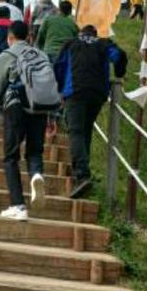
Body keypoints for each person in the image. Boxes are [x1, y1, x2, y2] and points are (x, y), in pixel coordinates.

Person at [0, 21, 53, 221]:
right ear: (30, 37)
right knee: (34, 151)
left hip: (15, 106)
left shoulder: (7, 55)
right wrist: (52, 116)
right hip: (40, 108)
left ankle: (18, 205)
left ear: (10, 37)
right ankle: (36, 175)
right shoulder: (41, 56)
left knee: (11, 156)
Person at [54, 25, 127, 199]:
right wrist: (119, 73)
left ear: (81, 33)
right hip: (98, 93)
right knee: (85, 130)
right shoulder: (104, 43)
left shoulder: (71, 43)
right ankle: (82, 171)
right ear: (95, 34)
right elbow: (120, 56)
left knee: (75, 130)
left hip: (75, 91)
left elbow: (59, 66)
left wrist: (60, 89)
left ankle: (82, 174)